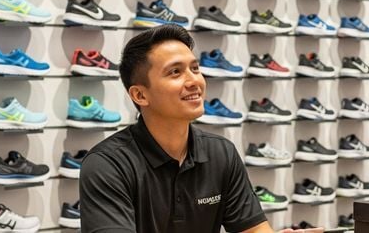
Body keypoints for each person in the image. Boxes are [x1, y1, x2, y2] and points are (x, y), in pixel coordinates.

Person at [79, 25, 275, 233]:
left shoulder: (222, 153)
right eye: (175, 72)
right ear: (140, 95)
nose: (194, 81)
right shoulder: (107, 164)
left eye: (195, 68)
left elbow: (254, 229)